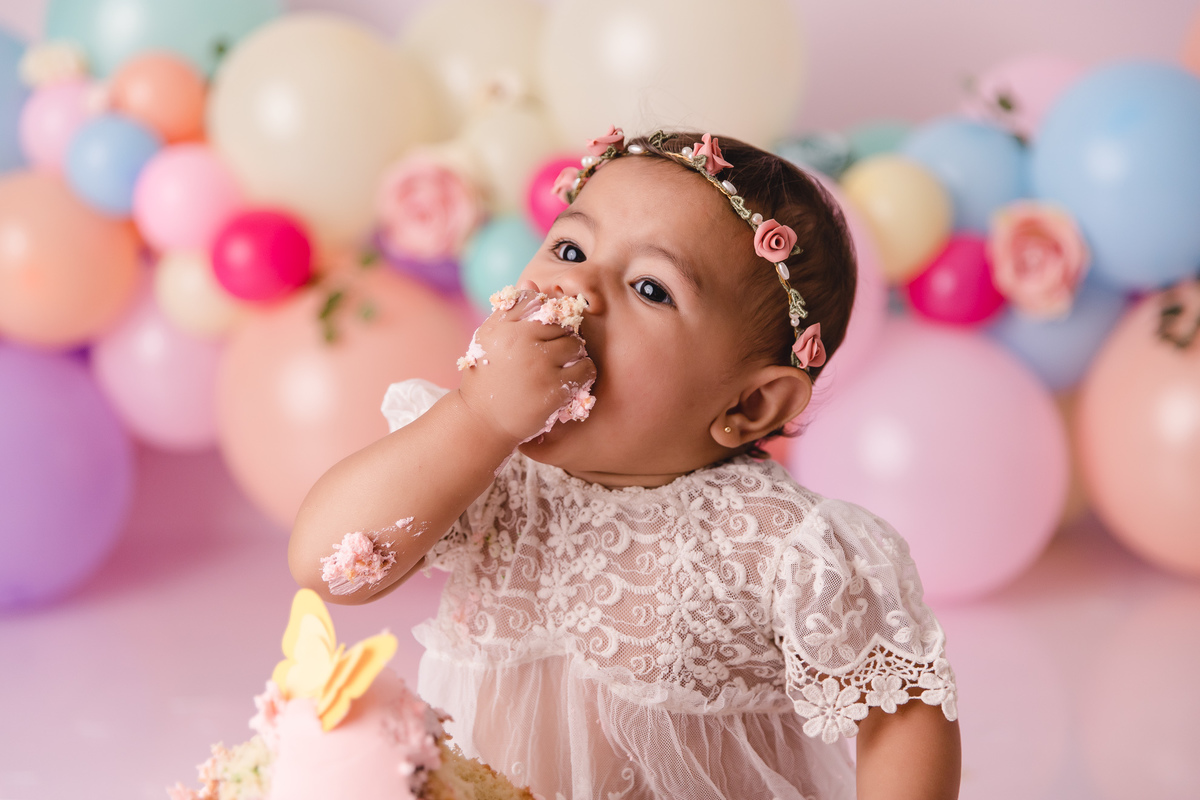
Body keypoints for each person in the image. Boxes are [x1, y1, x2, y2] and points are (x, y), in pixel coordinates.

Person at [289, 128, 961, 800]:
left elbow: (901, 709)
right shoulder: (482, 473)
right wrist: (477, 419)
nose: (577, 287)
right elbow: (327, 567)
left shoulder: (775, 540)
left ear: (751, 402)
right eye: (571, 248)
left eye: (650, 287)